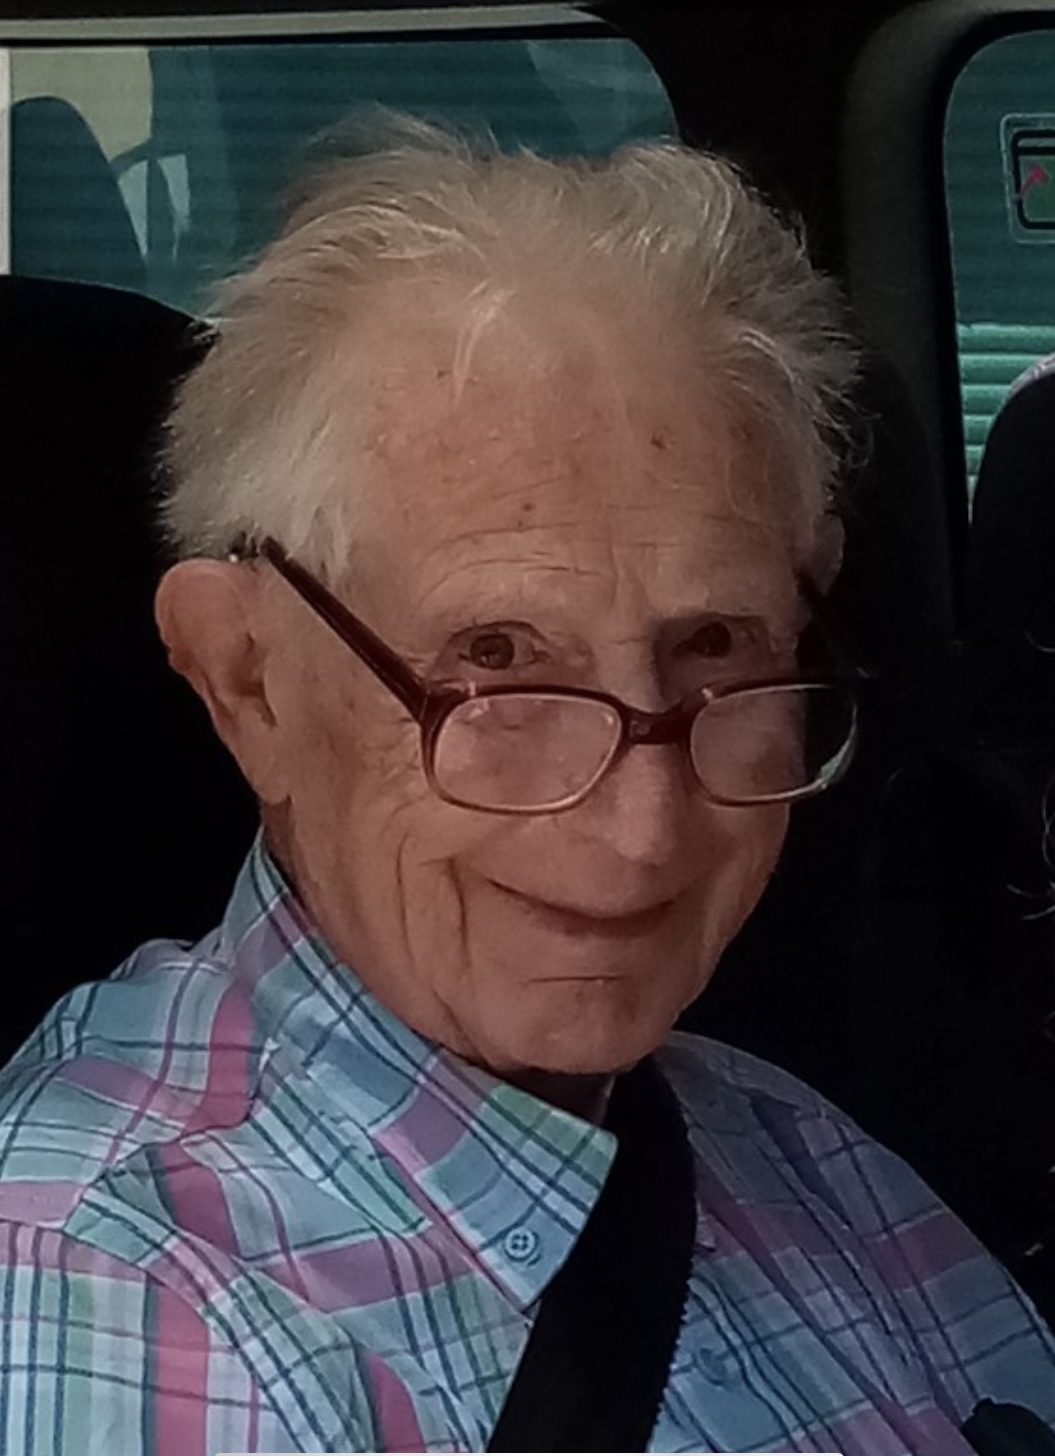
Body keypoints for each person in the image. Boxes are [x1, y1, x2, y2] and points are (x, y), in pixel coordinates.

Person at [0, 117, 1052, 1455]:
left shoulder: (788, 1141)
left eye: (716, 645)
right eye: (494, 660)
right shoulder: (109, 1301)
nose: (641, 834)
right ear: (248, 680)